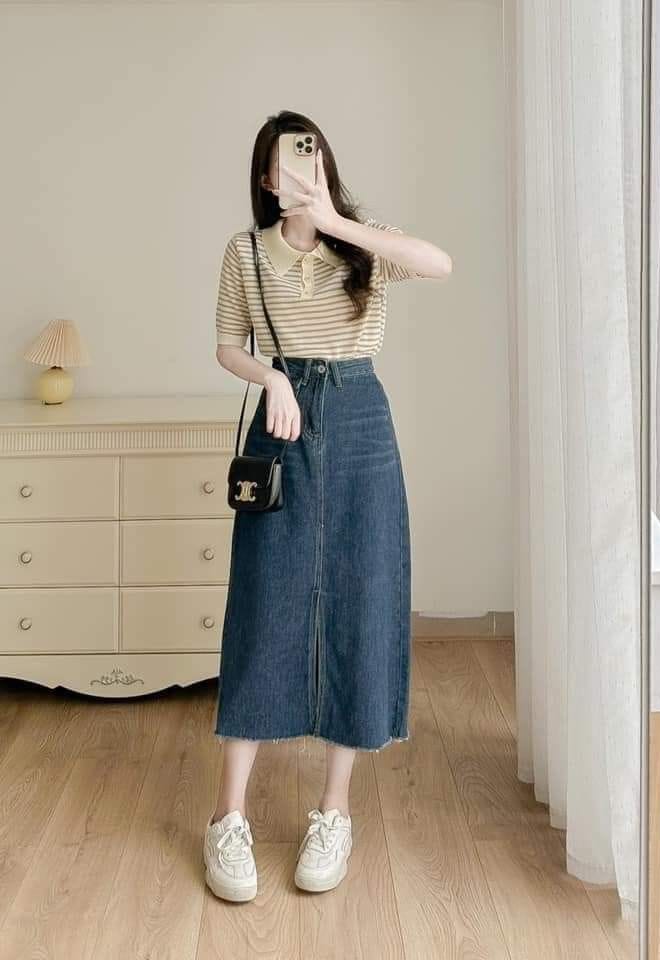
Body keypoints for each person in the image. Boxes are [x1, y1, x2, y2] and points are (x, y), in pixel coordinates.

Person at [203, 111, 452, 902]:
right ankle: (228, 818)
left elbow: (439, 264)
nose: (298, 174)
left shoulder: (362, 245)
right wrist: (272, 377)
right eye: (284, 165)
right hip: (283, 424)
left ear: (324, 168)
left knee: (358, 598)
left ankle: (334, 811)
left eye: (309, 161)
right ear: (266, 178)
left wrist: (340, 223)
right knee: (264, 604)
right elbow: (227, 344)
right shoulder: (246, 252)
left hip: (361, 424)